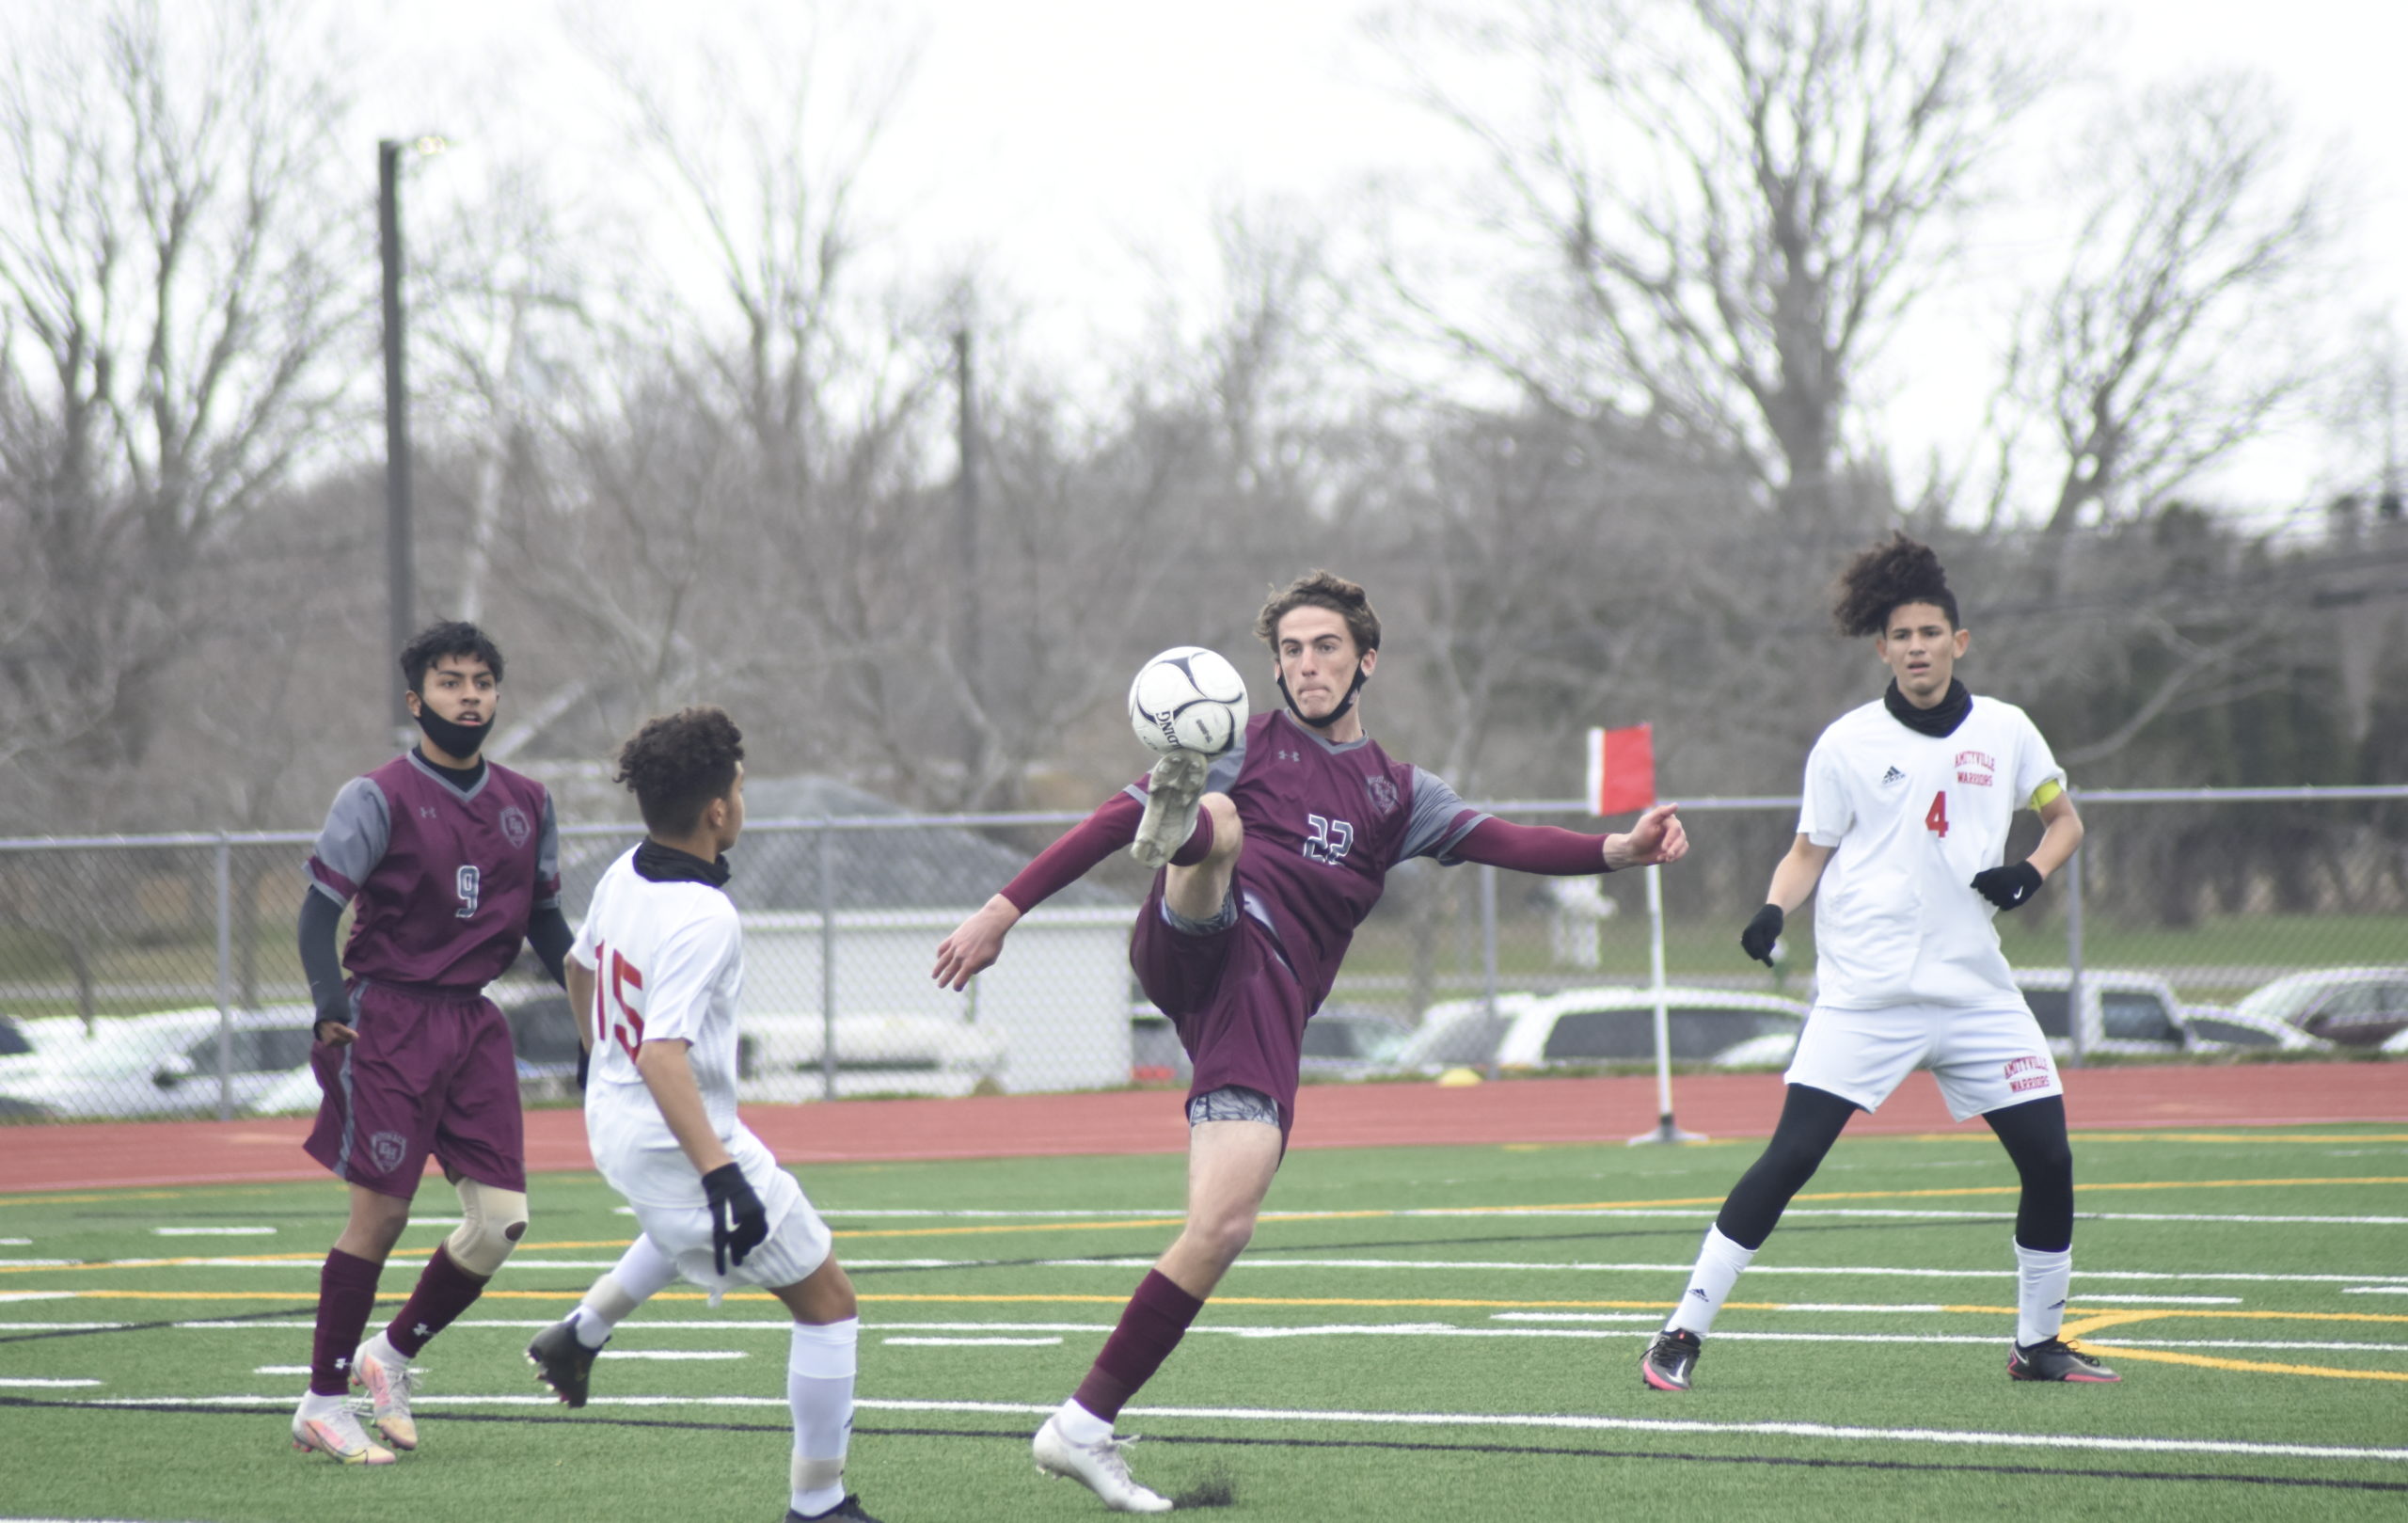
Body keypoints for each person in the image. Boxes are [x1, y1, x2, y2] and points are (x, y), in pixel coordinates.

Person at [934, 569, 1688, 1511]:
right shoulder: (1238, 744)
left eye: (1325, 646)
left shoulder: (1394, 794)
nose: (1306, 664)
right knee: (1215, 820)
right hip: (1196, 936)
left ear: (1365, 658)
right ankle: (1182, 831)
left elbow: (1501, 838)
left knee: (1221, 1226)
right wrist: (1000, 913)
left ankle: (1080, 1426)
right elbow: (1098, 824)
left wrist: (1614, 850)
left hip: (1258, 1004)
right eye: (1289, 650)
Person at [1639, 534, 2119, 1393]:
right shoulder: (1846, 743)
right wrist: (1770, 909)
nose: (1919, 647)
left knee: (2049, 1158)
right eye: (1903, 635)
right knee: (1788, 1161)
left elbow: (2065, 821)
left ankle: (2037, 1344)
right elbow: (1805, 854)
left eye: (1933, 631)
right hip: (1865, 999)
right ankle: (1680, 1331)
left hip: (1976, 993)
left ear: (1959, 641)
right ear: (1883, 648)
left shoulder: (2007, 730)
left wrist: (2030, 872)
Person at [526, 707, 880, 1523]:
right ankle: (818, 1504)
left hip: (615, 1122)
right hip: (668, 1128)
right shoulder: (704, 915)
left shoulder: (624, 871)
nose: (743, 799)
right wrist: (722, 1174)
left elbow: (579, 967)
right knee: (828, 1303)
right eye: (742, 787)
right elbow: (662, 1053)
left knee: (681, 1222)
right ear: (718, 811)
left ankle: (580, 1333)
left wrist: (591, 1053)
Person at [292, 620, 573, 1465]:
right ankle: (322, 1399)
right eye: (451, 682)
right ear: (417, 701)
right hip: (386, 1018)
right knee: (382, 1213)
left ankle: (393, 1355)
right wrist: (328, 1001)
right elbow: (316, 914)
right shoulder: (375, 794)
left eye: (483, 680)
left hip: (473, 1022)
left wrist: (602, 1009)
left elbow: (550, 925)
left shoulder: (529, 801)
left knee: (500, 1223)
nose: (470, 695)